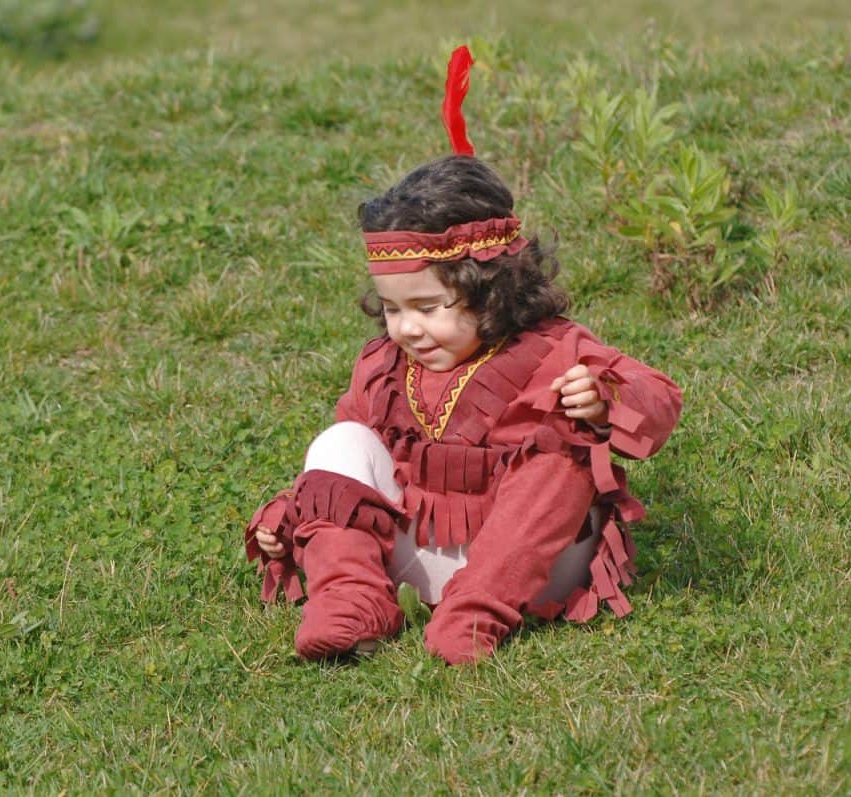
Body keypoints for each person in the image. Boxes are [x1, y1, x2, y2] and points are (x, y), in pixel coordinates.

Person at [243, 49, 682, 666]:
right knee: (340, 439)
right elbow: (348, 473)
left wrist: (606, 398)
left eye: (428, 306)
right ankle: (354, 600)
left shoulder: (553, 349)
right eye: (394, 309)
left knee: (565, 448)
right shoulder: (385, 368)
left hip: (534, 568)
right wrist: (290, 516)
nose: (408, 328)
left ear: (490, 288)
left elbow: (660, 400)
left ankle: (477, 615)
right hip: (418, 555)